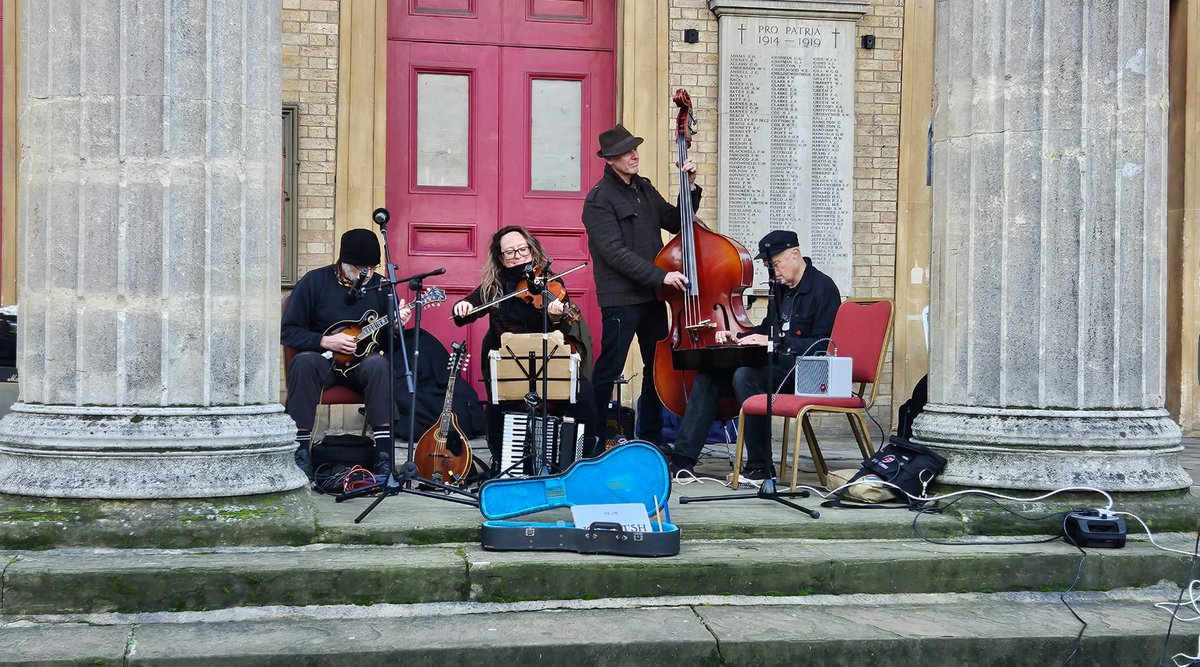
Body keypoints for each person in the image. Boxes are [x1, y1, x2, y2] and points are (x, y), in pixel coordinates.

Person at [665, 230, 841, 480]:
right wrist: (739, 337)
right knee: (709, 374)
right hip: (776, 366)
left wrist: (772, 340)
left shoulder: (824, 288)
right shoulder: (779, 289)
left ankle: (760, 464)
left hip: (805, 372)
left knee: (746, 376)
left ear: (795, 254)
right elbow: (768, 328)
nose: (774, 273)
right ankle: (682, 460)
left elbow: (821, 345)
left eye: (776, 265)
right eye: (770, 267)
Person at [581, 123, 699, 449]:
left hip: (652, 295)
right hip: (621, 297)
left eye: (634, 149)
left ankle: (650, 437)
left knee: (656, 367)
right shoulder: (598, 200)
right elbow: (615, 253)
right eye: (626, 152)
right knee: (609, 368)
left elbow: (676, 221)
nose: (634, 155)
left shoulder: (643, 188)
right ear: (609, 159)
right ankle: (590, 438)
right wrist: (660, 275)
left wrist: (689, 188)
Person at [452, 226, 597, 466]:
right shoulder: (494, 287)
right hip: (512, 369)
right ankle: (504, 463)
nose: (519, 255)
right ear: (501, 258)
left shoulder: (550, 282)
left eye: (522, 249)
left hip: (549, 366)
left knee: (585, 394)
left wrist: (556, 316)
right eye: (510, 252)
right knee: (497, 406)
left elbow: (567, 328)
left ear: (532, 249)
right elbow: (468, 309)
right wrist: (463, 306)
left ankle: (581, 460)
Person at [281, 228, 411, 478]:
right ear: (344, 262)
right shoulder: (313, 282)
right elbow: (288, 332)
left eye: (372, 268)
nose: (368, 275)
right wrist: (325, 341)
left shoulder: (381, 286)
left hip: (361, 367)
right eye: (362, 270)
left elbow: (389, 345)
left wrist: (394, 328)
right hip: (323, 363)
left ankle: (384, 454)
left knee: (379, 365)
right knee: (304, 362)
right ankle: (300, 452)